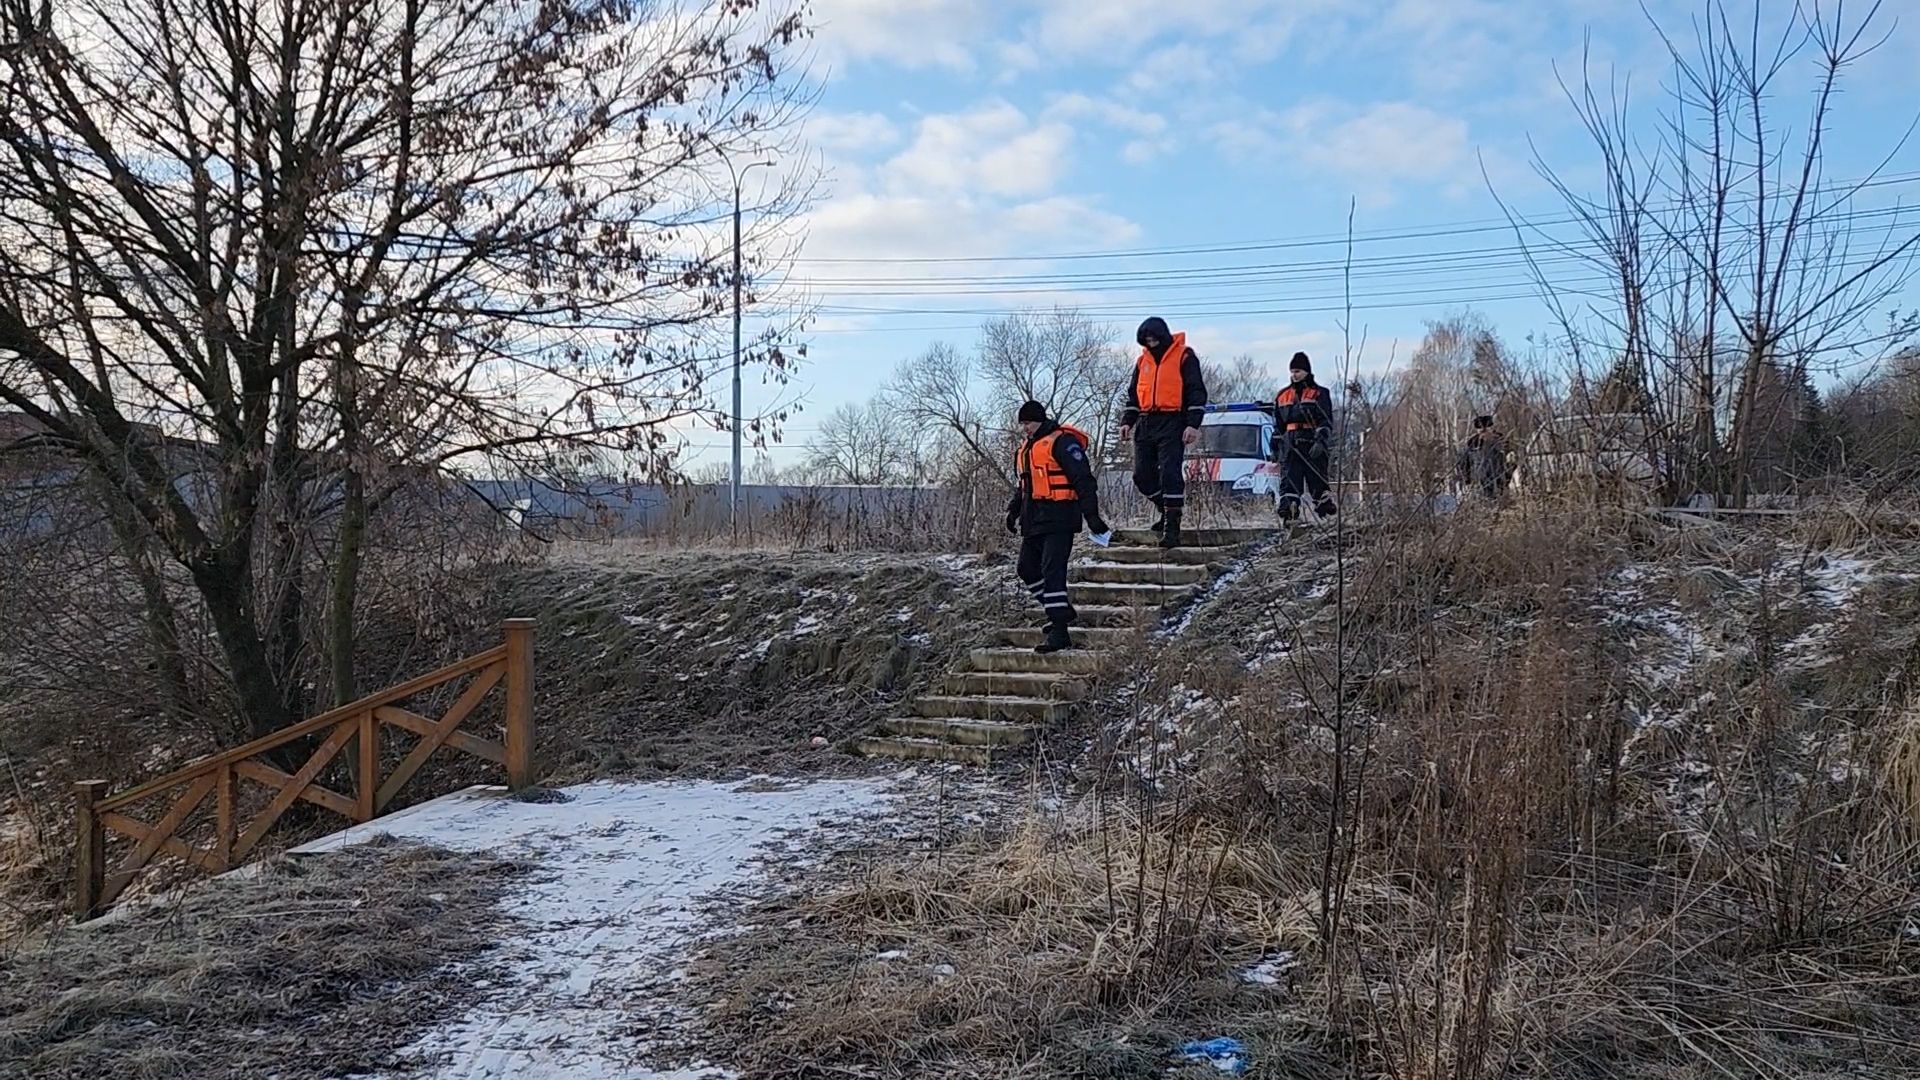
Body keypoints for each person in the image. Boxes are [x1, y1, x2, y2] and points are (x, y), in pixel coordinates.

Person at [1006, 401, 1110, 653]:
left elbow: (1083, 480)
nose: (1025, 429)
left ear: (1039, 420)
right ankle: (1060, 612)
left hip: (1059, 517)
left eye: (1028, 423)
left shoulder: (1062, 442)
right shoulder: (1026, 449)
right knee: (1027, 569)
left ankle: (1059, 630)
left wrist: (1092, 516)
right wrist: (1013, 510)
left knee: (1052, 571)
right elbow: (1024, 486)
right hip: (1033, 520)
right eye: (1022, 425)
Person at [1117, 317, 1207, 548]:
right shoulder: (1141, 362)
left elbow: (1196, 392)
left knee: (1169, 473)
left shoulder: (1184, 356)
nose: (1150, 342)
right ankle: (1164, 509)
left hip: (1173, 420)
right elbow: (1134, 396)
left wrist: (1193, 424)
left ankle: (1173, 528)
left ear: (1163, 336)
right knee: (1141, 475)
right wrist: (1127, 421)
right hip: (1146, 422)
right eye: (1146, 340)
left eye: (1154, 338)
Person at [1272, 352, 1338, 521]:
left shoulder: (1319, 393)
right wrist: (1276, 447)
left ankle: (1325, 516)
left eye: (1298, 371)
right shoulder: (1282, 395)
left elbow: (1325, 420)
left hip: (1311, 441)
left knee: (1317, 479)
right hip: (1290, 443)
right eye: (1292, 371)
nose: (1294, 375)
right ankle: (1290, 514)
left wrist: (1321, 441)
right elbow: (1278, 425)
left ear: (1306, 372)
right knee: (1289, 480)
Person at [1458, 415, 1511, 500]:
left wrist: (1508, 479)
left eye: (1487, 429)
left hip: (1500, 481)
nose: (1484, 432)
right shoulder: (1472, 444)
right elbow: (1464, 464)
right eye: (1481, 430)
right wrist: (1467, 480)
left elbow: (1510, 459)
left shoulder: (1501, 441)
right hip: (1479, 483)